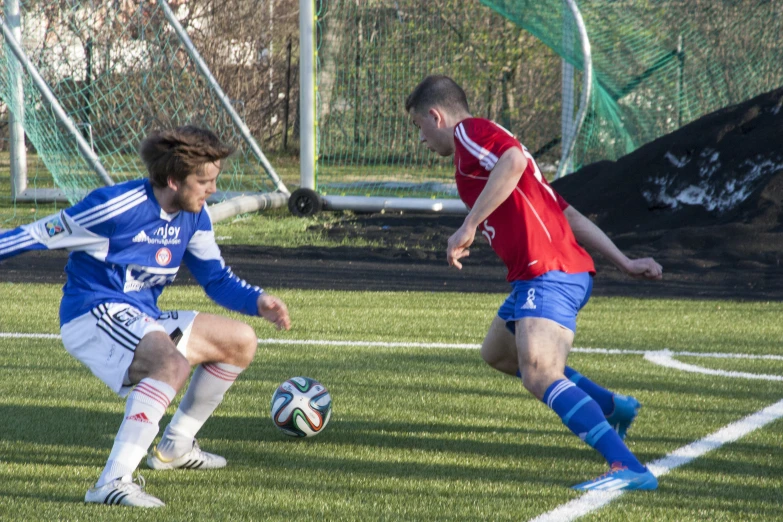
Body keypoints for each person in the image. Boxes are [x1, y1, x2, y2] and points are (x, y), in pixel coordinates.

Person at [0, 126, 291, 507]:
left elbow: (216, 279)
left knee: (240, 341)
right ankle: (111, 482)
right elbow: (31, 235)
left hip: (141, 316)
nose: (213, 190)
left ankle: (175, 448)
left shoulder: (194, 216)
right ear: (172, 180)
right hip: (91, 314)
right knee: (169, 365)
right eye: (204, 181)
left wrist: (259, 301)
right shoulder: (114, 207)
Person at [405, 75, 662, 491]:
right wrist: (624, 261)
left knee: (540, 371)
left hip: (549, 273)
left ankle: (627, 466)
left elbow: (514, 163)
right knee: (499, 353)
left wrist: (468, 225)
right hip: (545, 274)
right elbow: (570, 215)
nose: (421, 138)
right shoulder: (483, 150)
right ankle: (612, 408)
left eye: (419, 127)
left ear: (436, 116)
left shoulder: (472, 134)